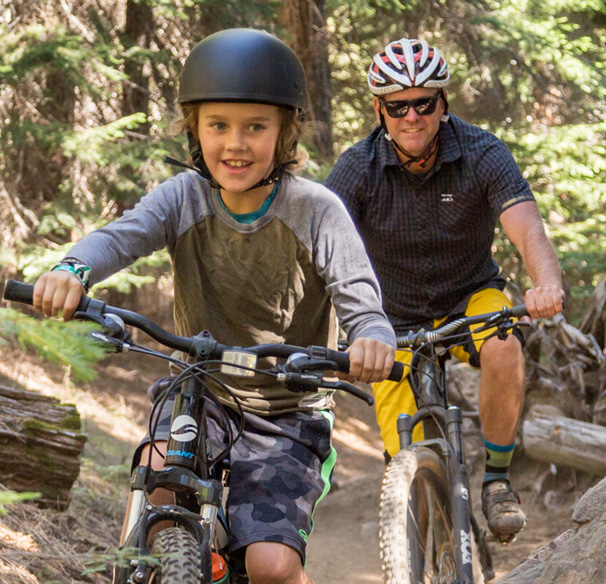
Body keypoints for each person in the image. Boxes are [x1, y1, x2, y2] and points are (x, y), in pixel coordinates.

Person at [29, 28, 396, 584]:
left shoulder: (317, 210)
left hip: (286, 410)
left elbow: (359, 296)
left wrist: (370, 335)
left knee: (272, 568)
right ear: (194, 129)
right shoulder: (182, 197)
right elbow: (120, 236)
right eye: (218, 125)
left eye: (256, 127)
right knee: (155, 479)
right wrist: (71, 269)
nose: (235, 144)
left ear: (284, 132)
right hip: (199, 389)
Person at [324, 38, 564, 543]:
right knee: (407, 469)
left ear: (443, 103)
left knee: (505, 344)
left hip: (469, 298)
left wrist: (547, 282)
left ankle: (497, 480)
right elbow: (321, 247)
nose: (411, 116)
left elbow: (526, 226)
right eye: (397, 106)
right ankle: (417, 553)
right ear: (379, 110)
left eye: (423, 103)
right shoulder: (356, 168)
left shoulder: (481, 152)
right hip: (388, 320)